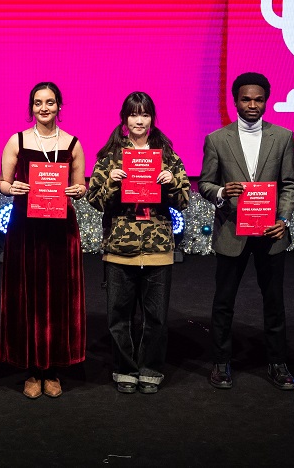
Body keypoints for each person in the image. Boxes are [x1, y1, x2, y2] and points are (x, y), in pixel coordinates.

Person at [198, 73, 294, 391]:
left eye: (258, 99)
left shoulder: (283, 137)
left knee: (274, 302)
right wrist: (221, 192)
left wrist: (283, 218)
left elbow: (289, 185)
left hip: (270, 232)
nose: (252, 104)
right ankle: (220, 362)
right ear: (235, 101)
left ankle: (277, 363)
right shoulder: (217, 139)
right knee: (224, 302)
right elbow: (205, 183)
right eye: (246, 99)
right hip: (232, 231)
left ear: (266, 101)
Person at [86, 91, 190, 394]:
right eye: (133, 114)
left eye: (144, 114)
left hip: (158, 248)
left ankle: (150, 369)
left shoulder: (167, 156)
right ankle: (125, 368)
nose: (139, 120)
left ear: (152, 118)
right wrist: (112, 182)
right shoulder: (110, 156)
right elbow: (94, 200)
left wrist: (172, 183)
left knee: (155, 316)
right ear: (124, 118)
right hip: (120, 249)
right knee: (119, 315)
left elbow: (184, 200)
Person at [0, 82, 87, 399]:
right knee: (28, 296)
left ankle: (52, 370)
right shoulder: (17, 141)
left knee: (58, 298)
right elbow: (2, 182)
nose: (44, 108)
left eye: (50, 102)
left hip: (61, 230)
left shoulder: (73, 143)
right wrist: (11, 188)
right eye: (38, 103)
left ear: (59, 105)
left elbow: (81, 185)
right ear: (31, 107)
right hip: (26, 229)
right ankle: (32, 370)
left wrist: (79, 190)